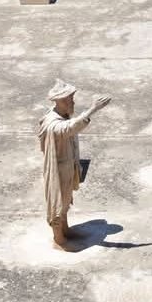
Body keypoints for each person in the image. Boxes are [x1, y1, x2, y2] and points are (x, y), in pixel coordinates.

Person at [38, 80, 111, 247]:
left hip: (68, 166)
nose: (73, 101)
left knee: (66, 200)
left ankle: (65, 228)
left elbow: (71, 126)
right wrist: (93, 109)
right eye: (70, 99)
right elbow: (69, 128)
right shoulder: (53, 123)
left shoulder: (63, 116)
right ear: (62, 101)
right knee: (58, 203)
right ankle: (58, 237)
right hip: (58, 170)